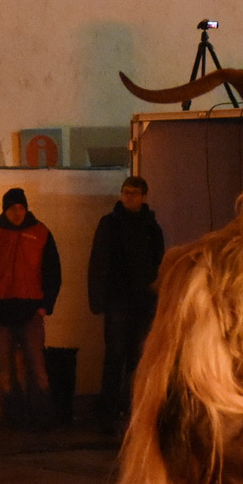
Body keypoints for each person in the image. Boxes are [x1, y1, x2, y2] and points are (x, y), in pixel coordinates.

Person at [0, 188, 61, 426]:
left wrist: (45, 305)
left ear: (26, 209)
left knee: (33, 367)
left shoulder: (38, 233)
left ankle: (34, 418)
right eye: (13, 208)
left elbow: (53, 272)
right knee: (10, 370)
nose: (17, 212)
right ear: (5, 210)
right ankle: (20, 418)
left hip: (23, 310)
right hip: (5, 311)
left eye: (20, 208)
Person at [87, 176, 164, 432]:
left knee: (135, 357)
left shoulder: (150, 228)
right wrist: (99, 300)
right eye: (126, 192)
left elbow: (159, 267)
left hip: (140, 302)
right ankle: (112, 409)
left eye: (133, 193)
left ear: (143, 196)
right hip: (119, 300)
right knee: (117, 355)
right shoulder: (113, 225)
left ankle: (128, 406)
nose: (129, 197)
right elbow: (99, 264)